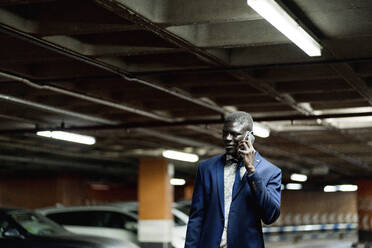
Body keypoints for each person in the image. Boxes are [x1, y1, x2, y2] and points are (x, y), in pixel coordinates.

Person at [185, 111, 281, 248]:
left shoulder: (270, 172)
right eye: (225, 133)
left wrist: (252, 171)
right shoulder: (206, 168)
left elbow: (270, 216)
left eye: (235, 134)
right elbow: (196, 218)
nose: (228, 138)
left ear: (249, 137)